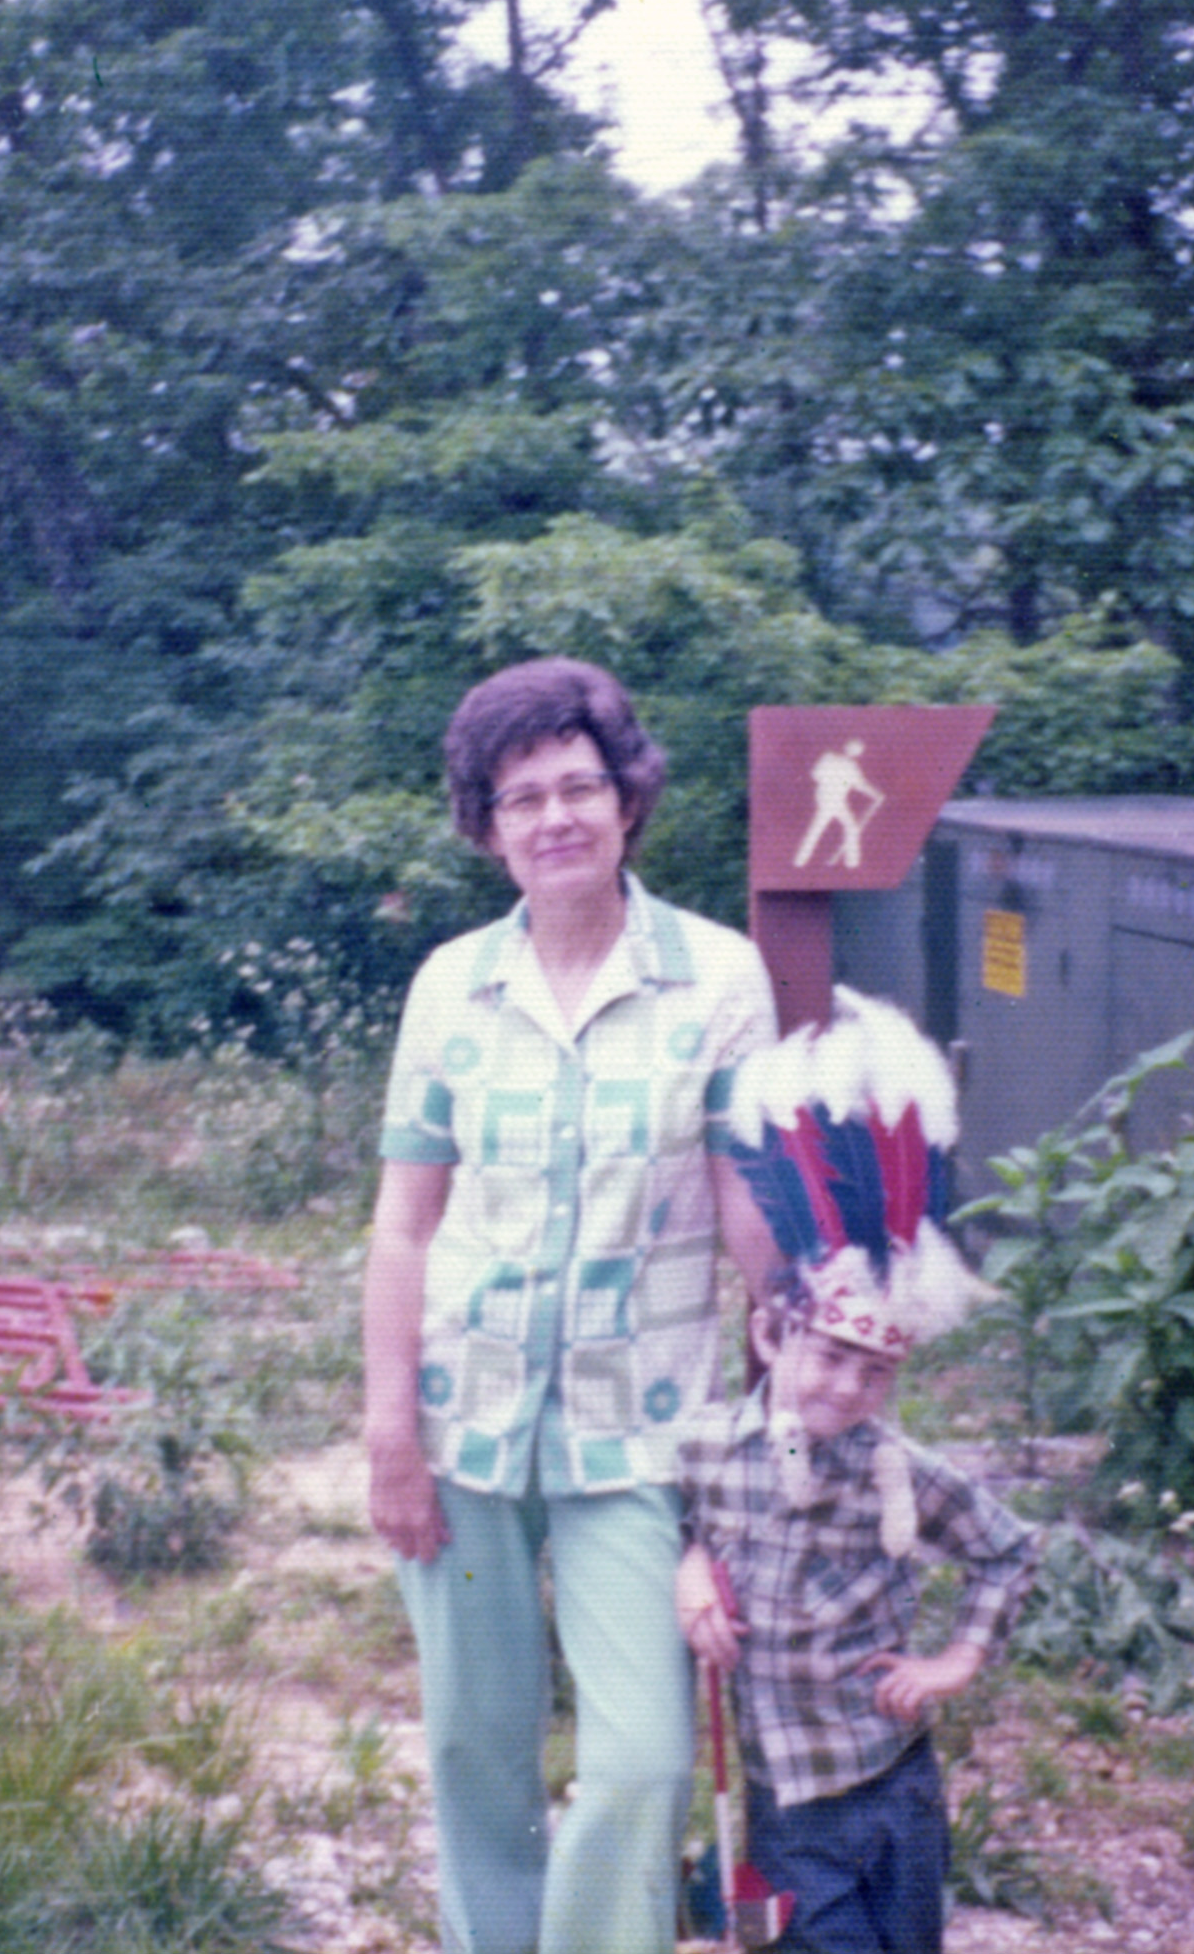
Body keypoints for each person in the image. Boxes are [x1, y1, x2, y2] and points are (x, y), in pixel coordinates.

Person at [365, 656, 781, 1954]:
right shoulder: (449, 985)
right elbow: (403, 1221)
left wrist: (792, 1366)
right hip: (463, 1423)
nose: (555, 816)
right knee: (476, 1749)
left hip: (639, 1438)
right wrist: (389, 1429)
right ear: (486, 828)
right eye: (522, 795)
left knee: (646, 1758)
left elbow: (748, 1217)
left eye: (579, 786)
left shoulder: (718, 980)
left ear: (627, 798)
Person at [675, 989, 1037, 1954]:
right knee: (784, 1942)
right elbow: (654, 1511)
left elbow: (1008, 1550)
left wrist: (955, 1657)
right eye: (828, 1354)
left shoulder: (903, 1471)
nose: (844, 1385)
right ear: (770, 1330)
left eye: (873, 1368)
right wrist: (685, 1562)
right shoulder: (705, 1447)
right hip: (777, 1802)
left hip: (894, 1780)